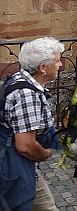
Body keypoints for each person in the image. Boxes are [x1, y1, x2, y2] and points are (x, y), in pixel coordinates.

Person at [0, 37, 63, 211]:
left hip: (23, 166)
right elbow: (25, 146)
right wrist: (44, 154)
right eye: (57, 61)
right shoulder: (27, 94)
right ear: (43, 68)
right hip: (15, 166)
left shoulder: (20, 78)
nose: (60, 65)